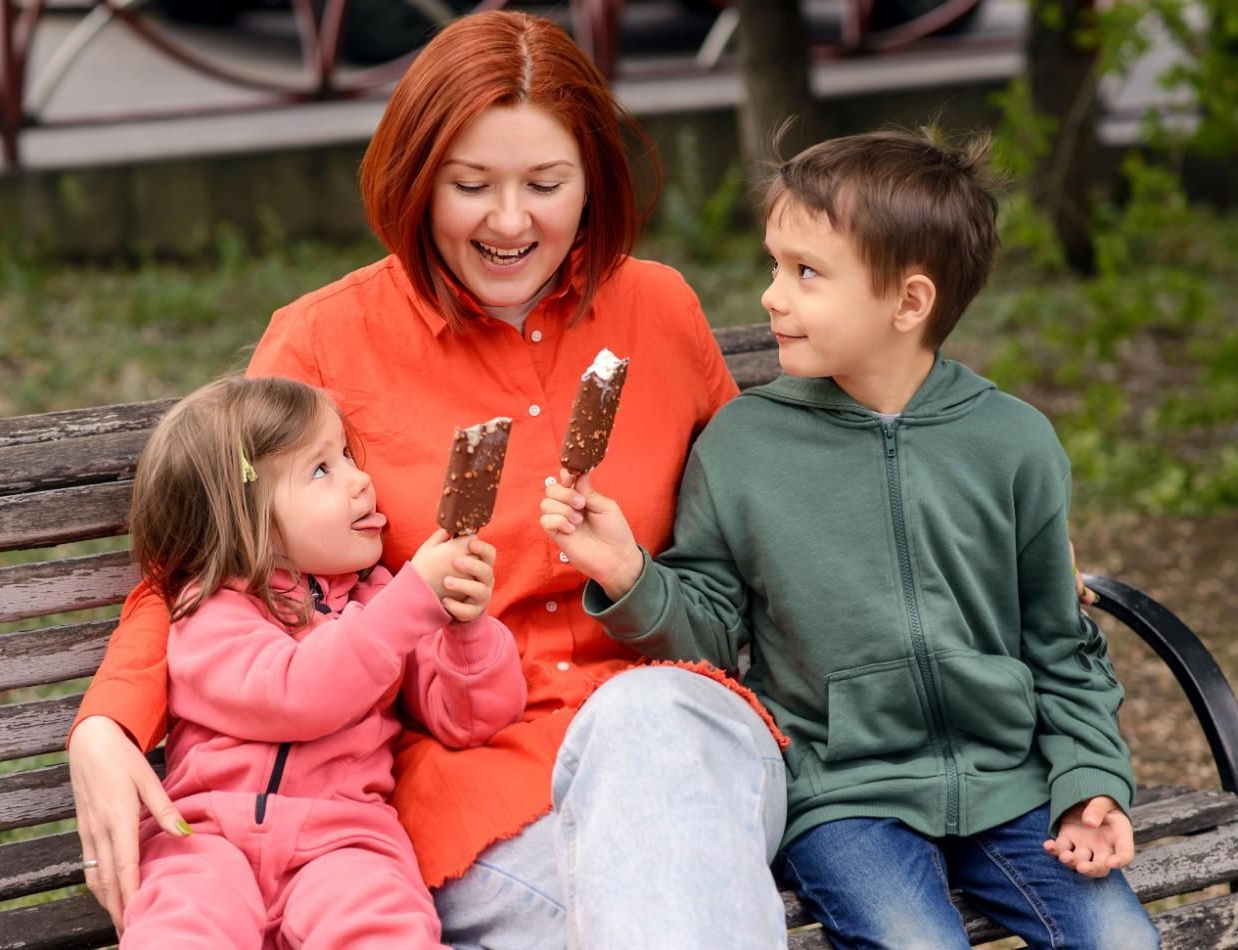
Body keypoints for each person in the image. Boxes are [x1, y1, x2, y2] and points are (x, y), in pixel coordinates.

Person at [68, 10, 792, 948]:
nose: (508, 220)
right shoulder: (325, 342)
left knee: (646, 718)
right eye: (470, 184)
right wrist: (106, 723)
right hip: (478, 799)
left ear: (592, 182)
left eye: (545, 183)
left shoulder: (657, 311)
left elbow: (764, 521)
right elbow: (212, 558)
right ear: (418, 179)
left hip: (685, 751)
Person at [540, 128, 1160, 949]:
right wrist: (628, 573)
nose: (770, 296)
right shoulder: (742, 446)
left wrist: (1089, 783)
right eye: (774, 264)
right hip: (843, 796)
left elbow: (1060, 642)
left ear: (908, 303)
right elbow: (712, 641)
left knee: (1124, 943)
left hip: (1011, 787)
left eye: (805, 273)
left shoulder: (1013, 444)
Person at [115, 375, 525, 947]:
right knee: (184, 928)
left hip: (345, 841)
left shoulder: (378, 600)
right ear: (246, 516)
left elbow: (471, 719)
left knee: (383, 927)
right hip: (206, 836)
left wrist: (466, 629)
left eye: (349, 458)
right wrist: (409, 603)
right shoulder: (210, 611)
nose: (362, 482)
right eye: (322, 470)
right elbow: (295, 694)